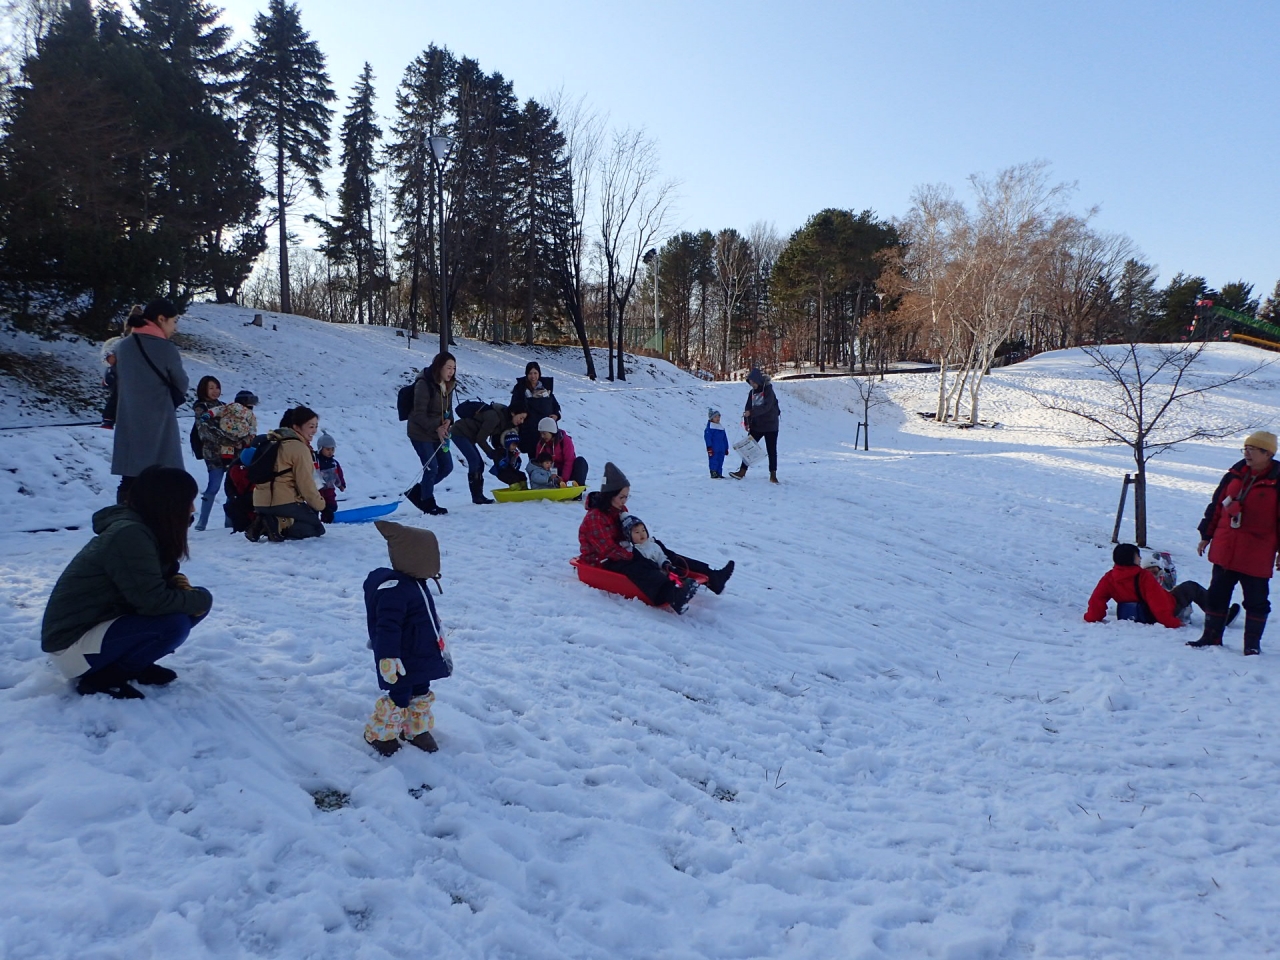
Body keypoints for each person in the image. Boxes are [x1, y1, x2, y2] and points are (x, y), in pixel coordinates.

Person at [40, 465, 213, 700]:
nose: (192, 509)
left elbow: (151, 584)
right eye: (188, 501)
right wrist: (200, 598)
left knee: (189, 606)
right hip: (70, 646)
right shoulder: (129, 534)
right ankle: (105, 678)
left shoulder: (143, 529)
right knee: (175, 622)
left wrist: (178, 583)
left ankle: (133, 665)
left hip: (96, 626)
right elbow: (152, 601)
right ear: (168, 503)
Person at [363, 520, 453, 756]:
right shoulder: (394, 590)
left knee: (421, 690)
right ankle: (380, 733)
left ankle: (414, 728)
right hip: (401, 658)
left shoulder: (418, 583)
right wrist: (388, 657)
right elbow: (387, 627)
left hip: (423, 652)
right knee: (400, 696)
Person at [1188, 432, 1280, 654]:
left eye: (1252, 449)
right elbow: (1216, 507)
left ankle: (1252, 646)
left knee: (1256, 601)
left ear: (1268, 453)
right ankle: (1211, 637)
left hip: (1257, 552)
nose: (1246, 453)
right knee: (1216, 595)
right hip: (1226, 548)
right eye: (1245, 448)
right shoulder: (1233, 475)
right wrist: (1206, 536)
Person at [577, 462, 700, 614]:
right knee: (637, 566)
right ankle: (671, 595)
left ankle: (678, 583)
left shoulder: (619, 510)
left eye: (626, 497)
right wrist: (632, 554)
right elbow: (607, 550)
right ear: (610, 495)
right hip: (600, 559)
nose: (624, 501)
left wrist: (641, 545)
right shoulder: (595, 517)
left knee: (650, 554)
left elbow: (627, 533)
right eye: (621, 497)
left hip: (620, 551)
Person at [110, 299, 188, 504]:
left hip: (128, 421)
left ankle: (124, 516)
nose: (175, 328)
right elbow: (181, 383)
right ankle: (159, 519)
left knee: (129, 480)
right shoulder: (166, 349)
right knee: (163, 479)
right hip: (160, 423)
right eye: (174, 321)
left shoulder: (123, 346)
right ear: (161, 319)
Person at [1084, 543, 1236, 629]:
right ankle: (1220, 615)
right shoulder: (1143, 576)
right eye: (1138, 556)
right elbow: (1158, 602)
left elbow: (1097, 599)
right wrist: (1172, 623)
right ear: (1132, 559)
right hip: (1162, 610)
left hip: (1136, 613)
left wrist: (1092, 617)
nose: (1140, 559)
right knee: (1191, 587)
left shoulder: (1110, 577)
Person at [248, 406, 326, 542]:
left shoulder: (270, 442)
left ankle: (264, 522)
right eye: (310, 426)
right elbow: (306, 484)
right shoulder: (299, 448)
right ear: (296, 427)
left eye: (315, 426)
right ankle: (279, 523)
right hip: (284, 502)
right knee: (316, 528)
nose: (314, 431)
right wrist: (321, 505)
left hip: (259, 503)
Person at [622, 514, 735, 595]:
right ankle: (682, 590)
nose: (642, 534)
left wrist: (667, 563)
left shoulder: (653, 543)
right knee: (674, 574)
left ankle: (714, 578)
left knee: (681, 562)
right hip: (657, 572)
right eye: (637, 532)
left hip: (665, 564)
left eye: (643, 530)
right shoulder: (634, 551)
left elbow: (661, 555)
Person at [405, 352, 455, 516]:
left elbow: (449, 410)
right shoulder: (424, 384)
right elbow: (419, 414)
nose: (451, 372)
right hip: (420, 432)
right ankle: (428, 502)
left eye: (454, 368)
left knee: (447, 467)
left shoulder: (449, 385)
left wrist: (449, 421)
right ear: (439, 367)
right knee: (431, 468)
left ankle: (418, 491)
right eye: (448, 368)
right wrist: (437, 427)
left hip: (439, 432)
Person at [449, 402, 525, 505]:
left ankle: (478, 496)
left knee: (479, 464)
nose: (521, 421)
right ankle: (477, 497)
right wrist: (491, 453)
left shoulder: (505, 421)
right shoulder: (494, 418)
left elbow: (495, 438)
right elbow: (481, 439)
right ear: (513, 413)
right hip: (459, 433)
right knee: (475, 461)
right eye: (521, 418)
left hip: (469, 436)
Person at [729, 367, 781, 483]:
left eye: (753, 382)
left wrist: (752, 412)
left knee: (772, 450)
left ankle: (773, 475)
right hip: (757, 426)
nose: (752, 384)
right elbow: (748, 408)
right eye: (750, 382)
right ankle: (742, 471)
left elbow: (766, 407)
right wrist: (747, 422)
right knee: (748, 448)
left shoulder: (768, 391)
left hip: (771, 425)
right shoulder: (752, 392)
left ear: (758, 380)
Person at [191, 376, 226, 532]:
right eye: (211, 388)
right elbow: (203, 430)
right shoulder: (201, 407)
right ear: (203, 389)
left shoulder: (224, 406)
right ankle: (202, 522)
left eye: (217, 387)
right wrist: (225, 438)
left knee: (231, 485)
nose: (215, 391)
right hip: (212, 451)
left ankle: (230, 522)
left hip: (229, 450)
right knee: (214, 485)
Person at [99, 306, 140, 429]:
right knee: (117, 395)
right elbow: (106, 354)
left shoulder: (144, 344)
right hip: (120, 376)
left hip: (135, 377)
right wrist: (109, 358)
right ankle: (109, 419)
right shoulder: (119, 343)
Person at [509, 361, 561, 453]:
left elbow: (554, 404)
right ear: (526, 374)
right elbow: (514, 406)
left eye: (535, 373)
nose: (533, 376)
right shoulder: (520, 388)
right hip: (529, 429)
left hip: (546, 428)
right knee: (533, 454)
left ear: (539, 374)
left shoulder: (545, 388)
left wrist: (556, 415)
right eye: (530, 373)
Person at [532, 417, 588, 487]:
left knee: (581, 461)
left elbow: (569, 461)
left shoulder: (565, 441)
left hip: (567, 470)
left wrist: (563, 479)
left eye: (544, 433)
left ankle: (578, 486)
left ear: (551, 431)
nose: (542, 436)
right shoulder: (542, 444)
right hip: (551, 472)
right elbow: (539, 462)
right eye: (541, 434)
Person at [315, 431, 346, 523]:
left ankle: (326, 521)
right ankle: (314, 521)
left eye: (332, 449)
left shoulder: (334, 463)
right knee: (315, 506)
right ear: (321, 448)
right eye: (328, 449)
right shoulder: (316, 462)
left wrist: (341, 485)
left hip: (330, 490)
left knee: (332, 507)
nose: (330, 452)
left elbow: (338, 475)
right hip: (318, 491)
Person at [705, 408, 729, 479]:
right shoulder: (709, 429)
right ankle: (713, 472)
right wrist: (709, 447)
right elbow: (708, 438)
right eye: (715, 417)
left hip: (721, 448)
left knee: (720, 460)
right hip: (714, 448)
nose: (718, 418)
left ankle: (719, 472)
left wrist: (726, 448)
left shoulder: (721, 428)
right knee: (714, 460)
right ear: (711, 418)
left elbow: (724, 439)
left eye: (718, 416)